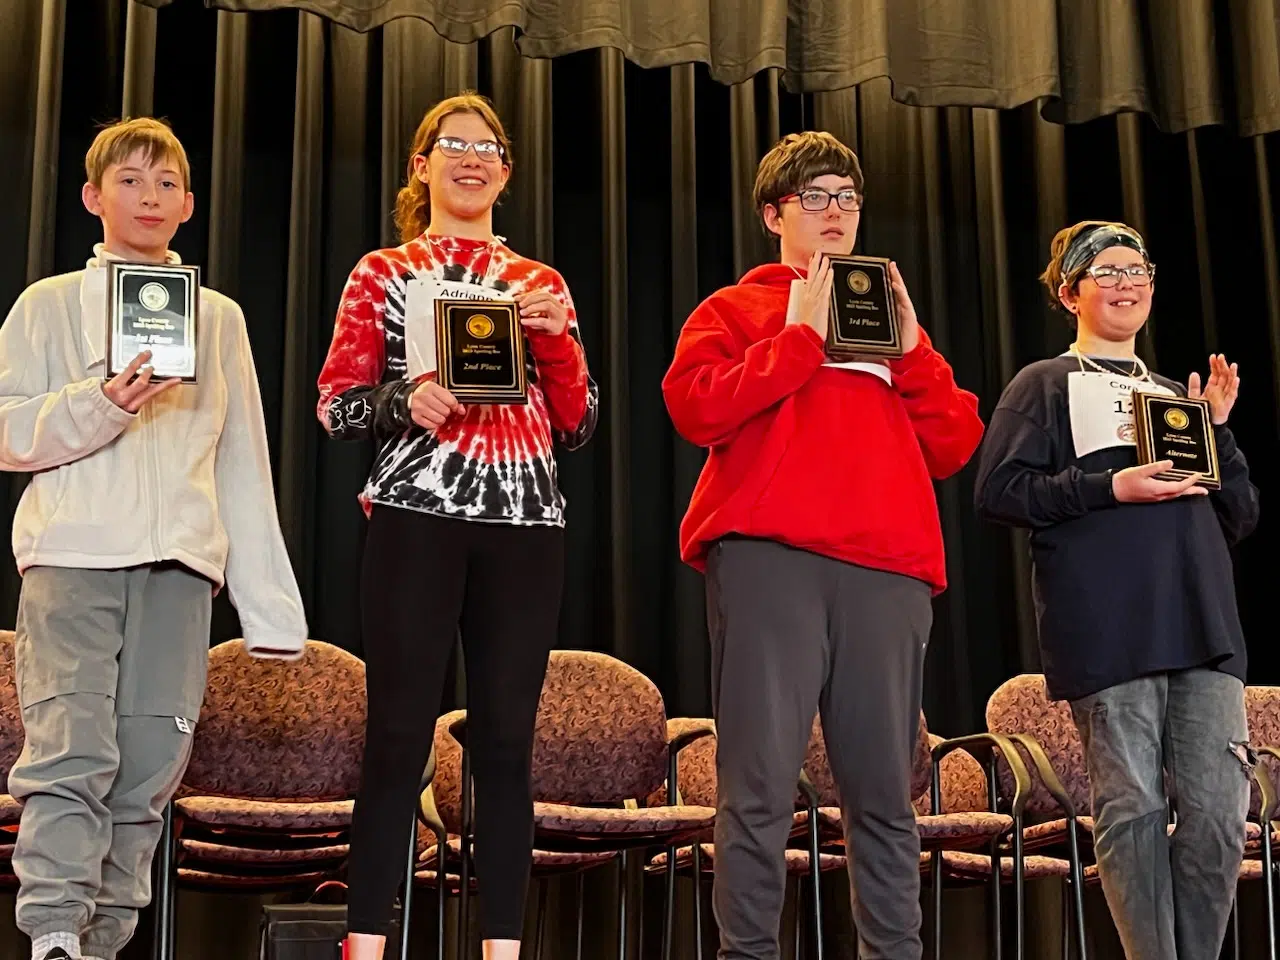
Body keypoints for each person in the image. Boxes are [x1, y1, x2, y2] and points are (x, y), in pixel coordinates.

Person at [662, 131, 983, 960]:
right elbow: (695, 407)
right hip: (772, 562)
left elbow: (954, 443)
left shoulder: (890, 319)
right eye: (815, 198)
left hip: (887, 571)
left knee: (884, 792)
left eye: (846, 198)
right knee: (760, 784)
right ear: (776, 214)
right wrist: (799, 340)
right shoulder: (736, 309)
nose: (834, 212)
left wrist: (911, 351)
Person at [0, 117, 307, 960]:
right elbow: (7, 431)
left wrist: (270, 611)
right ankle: (55, 927)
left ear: (189, 204)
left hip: (179, 568)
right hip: (72, 558)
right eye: (130, 181)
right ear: (95, 198)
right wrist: (102, 402)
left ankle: (102, 941)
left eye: (166, 183)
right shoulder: (48, 305)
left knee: (148, 762)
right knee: (71, 745)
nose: (150, 197)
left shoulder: (219, 317)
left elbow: (243, 457)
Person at [318, 93, 597, 960]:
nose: (470, 158)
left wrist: (557, 344)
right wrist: (405, 398)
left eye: (487, 147)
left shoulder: (541, 284)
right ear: (421, 165)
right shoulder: (383, 271)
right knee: (399, 734)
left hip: (525, 521)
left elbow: (579, 422)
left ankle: (503, 949)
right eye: (453, 145)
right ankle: (367, 944)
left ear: (507, 171)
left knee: (509, 743)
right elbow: (334, 407)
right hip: (416, 515)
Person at [974, 220, 1257, 959]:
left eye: (1139, 269)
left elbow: (1241, 515)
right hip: (1108, 628)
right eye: (1108, 270)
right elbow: (999, 491)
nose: (1128, 282)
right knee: (1132, 806)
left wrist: (1217, 429)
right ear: (1071, 292)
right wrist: (1110, 487)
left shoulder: (1172, 395)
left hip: (1204, 627)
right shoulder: (1045, 383)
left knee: (1221, 813)